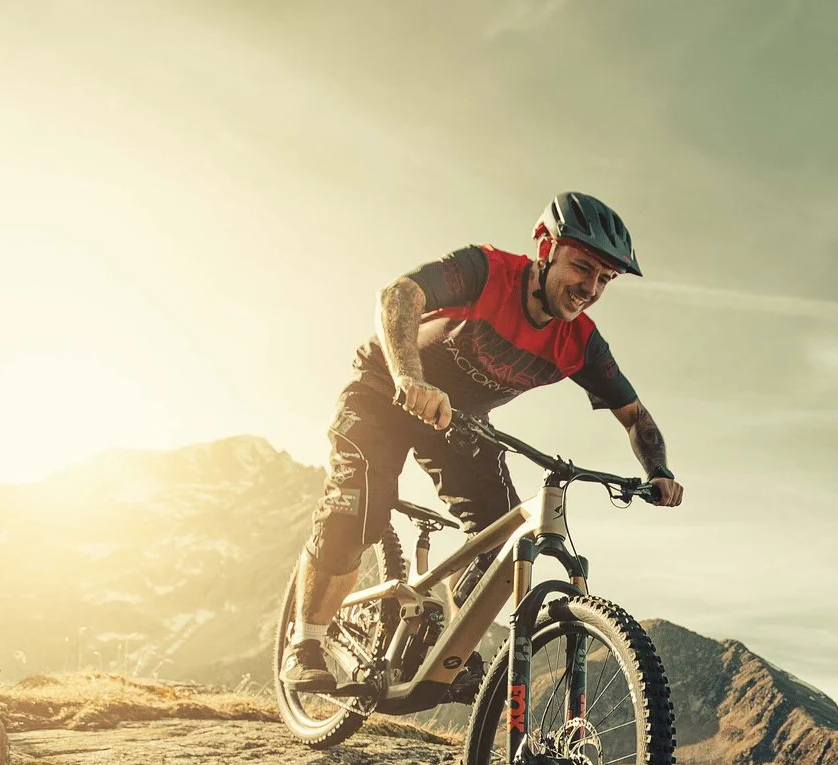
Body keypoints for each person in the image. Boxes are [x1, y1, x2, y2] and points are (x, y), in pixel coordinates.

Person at [283, 191, 681, 691]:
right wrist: (410, 378)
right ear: (545, 249)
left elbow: (635, 417)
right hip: (383, 390)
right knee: (360, 508)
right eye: (582, 267)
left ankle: (439, 650)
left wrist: (658, 471)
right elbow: (398, 295)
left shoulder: (580, 343)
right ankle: (305, 643)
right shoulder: (487, 272)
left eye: (605, 279)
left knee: (503, 542)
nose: (590, 288)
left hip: (458, 423)